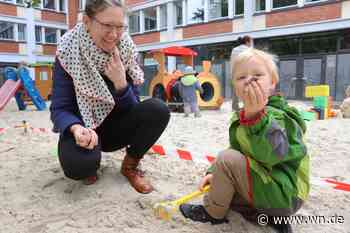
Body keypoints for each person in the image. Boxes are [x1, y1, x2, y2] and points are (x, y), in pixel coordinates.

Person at [179, 48, 309, 233]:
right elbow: (238, 148)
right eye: (241, 78)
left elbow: (275, 154)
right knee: (226, 181)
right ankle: (269, 219)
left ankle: (213, 213)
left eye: (257, 75)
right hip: (270, 188)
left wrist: (258, 118)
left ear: (272, 82)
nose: (249, 80)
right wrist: (213, 172)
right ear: (236, 88)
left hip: (284, 193)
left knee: (226, 159)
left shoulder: (280, 117)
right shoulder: (242, 117)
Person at [50, 0, 170, 194]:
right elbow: (59, 108)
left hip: (115, 128)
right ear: (87, 21)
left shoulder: (126, 51)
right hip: (83, 130)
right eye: (107, 26)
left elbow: (134, 109)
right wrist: (75, 127)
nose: (114, 35)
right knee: (78, 166)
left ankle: (130, 166)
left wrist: (121, 84)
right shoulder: (67, 52)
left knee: (158, 109)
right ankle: (89, 163)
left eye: (120, 27)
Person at [231, 35, 253, 112]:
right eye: (251, 41)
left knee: (235, 91)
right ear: (247, 42)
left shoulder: (234, 50)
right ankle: (246, 106)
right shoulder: (249, 50)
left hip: (235, 72)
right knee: (247, 90)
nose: (251, 43)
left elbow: (232, 62)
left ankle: (234, 107)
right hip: (245, 73)